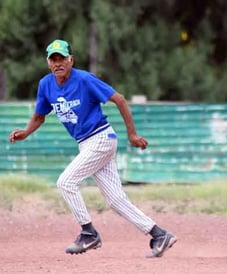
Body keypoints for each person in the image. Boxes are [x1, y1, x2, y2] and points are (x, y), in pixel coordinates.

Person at [8, 39, 177, 257]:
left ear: (71, 60)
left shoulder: (85, 79)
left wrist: (132, 134)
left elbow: (120, 100)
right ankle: (160, 234)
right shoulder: (46, 85)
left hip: (101, 138)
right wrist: (25, 132)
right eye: (53, 59)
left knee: (66, 182)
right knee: (116, 200)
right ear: (48, 62)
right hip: (87, 143)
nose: (58, 63)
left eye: (62, 58)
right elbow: (40, 116)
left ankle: (89, 234)